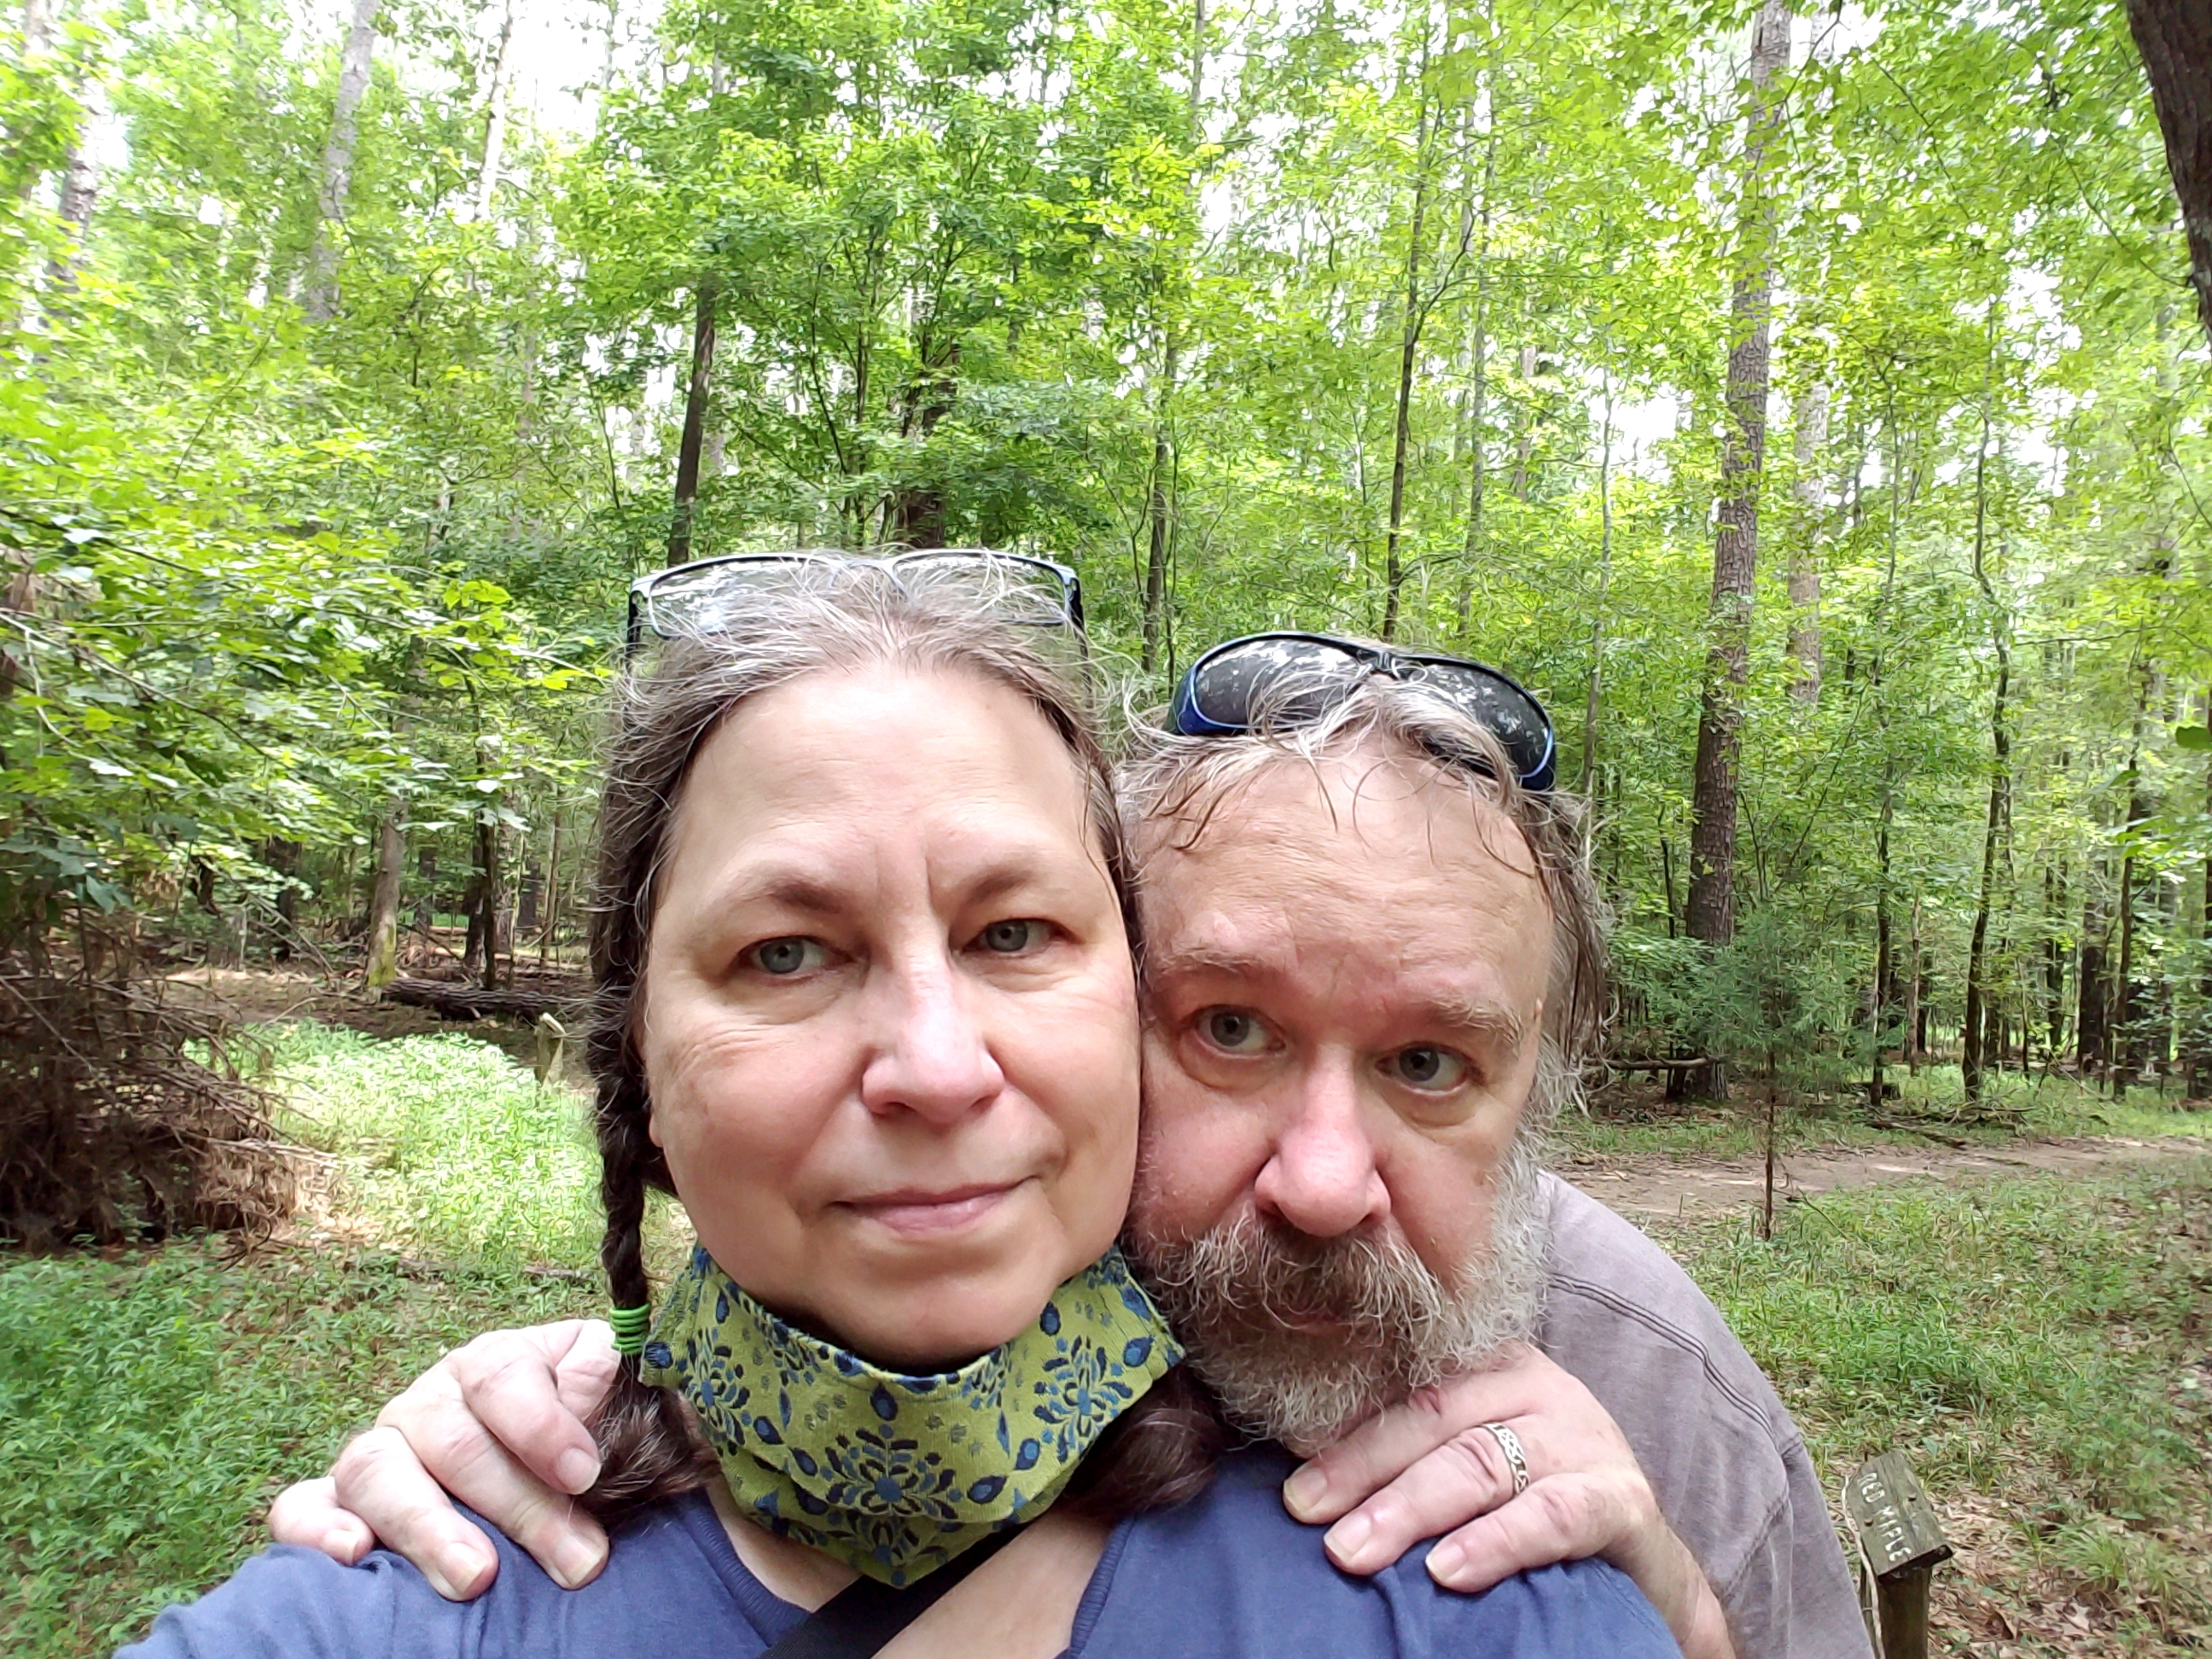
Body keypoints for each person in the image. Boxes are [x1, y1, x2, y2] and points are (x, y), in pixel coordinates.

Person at [121, 559, 1682, 1659]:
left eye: (1014, 934)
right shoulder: (414, 1581)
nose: (937, 1068)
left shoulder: (1506, 1569)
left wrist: (1663, 1585)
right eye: (784, 952)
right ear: (635, 1061)